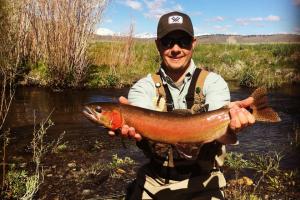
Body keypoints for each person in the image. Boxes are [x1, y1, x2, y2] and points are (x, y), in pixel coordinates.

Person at [108, 11, 255, 200]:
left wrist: (234, 117)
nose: (176, 48)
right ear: (158, 45)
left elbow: (217, 118)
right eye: (168, 41)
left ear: (193, 44)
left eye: (183, 41)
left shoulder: (214, 82)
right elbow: (147, 122)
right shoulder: (142, 87)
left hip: (204, 182)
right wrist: (129, 124)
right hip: (154, 182)